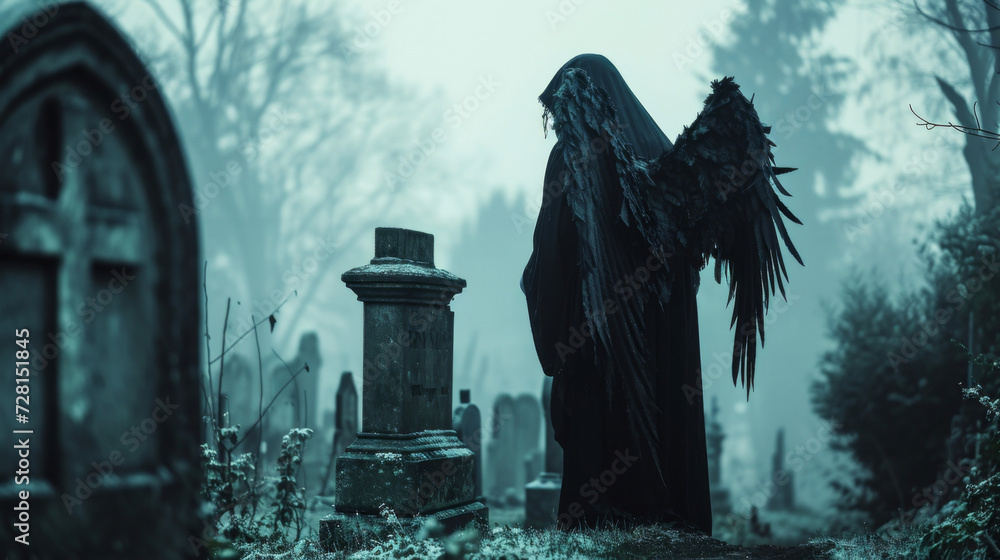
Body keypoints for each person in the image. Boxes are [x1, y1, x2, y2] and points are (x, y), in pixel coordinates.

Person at [522, 54, 801, 534]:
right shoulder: (663, 152)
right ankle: (669, 510)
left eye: (559, 107)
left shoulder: (577, 152)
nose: (559, 120)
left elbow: (554, 246)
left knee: (604, 420)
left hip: (602, 331)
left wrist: (541, 294)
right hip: (670, 336)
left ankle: (609, 513)